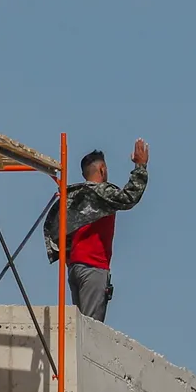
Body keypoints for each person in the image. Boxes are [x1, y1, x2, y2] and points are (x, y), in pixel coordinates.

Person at [42, 138, 149, 322]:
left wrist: (68, 258)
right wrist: (140, 166)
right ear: (102, 169)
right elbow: (129, 197)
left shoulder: (74, 196)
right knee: (90, 328)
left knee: (80, 325)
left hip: (75, 267)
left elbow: (57, 229)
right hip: (93, 267)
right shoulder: (101, 192)